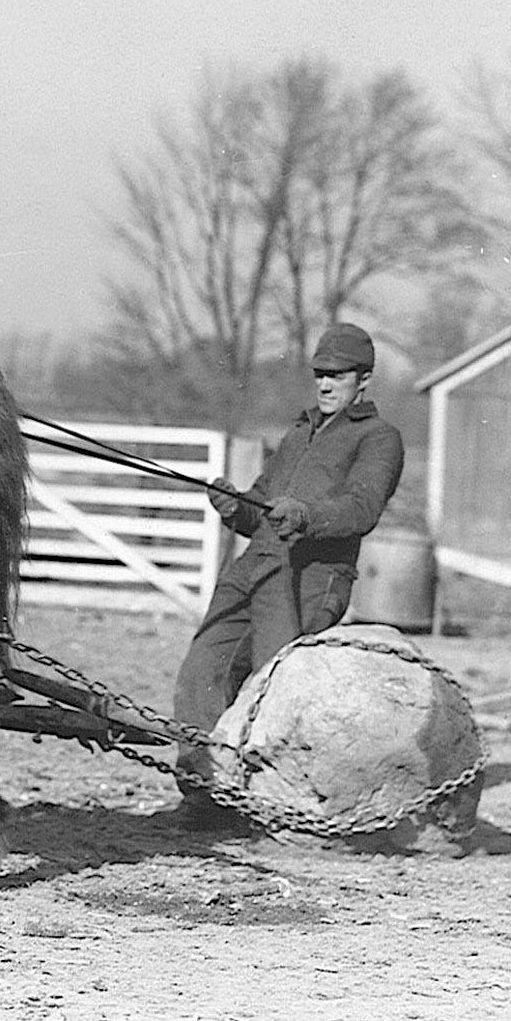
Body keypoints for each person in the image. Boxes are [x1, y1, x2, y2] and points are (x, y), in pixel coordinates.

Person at [171, 322, 406, 831]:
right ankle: (204, 794)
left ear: (363, 380)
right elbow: (261, 508)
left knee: (274, 690)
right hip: (254, 566)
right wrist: (235, 507)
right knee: (202, 673)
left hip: (312, 578)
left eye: (337, 376)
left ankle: (271, 805)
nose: (324, 385)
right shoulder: (297, 433)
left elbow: (362, 509)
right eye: (319, 374)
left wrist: (306, 515)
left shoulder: (379, 438)